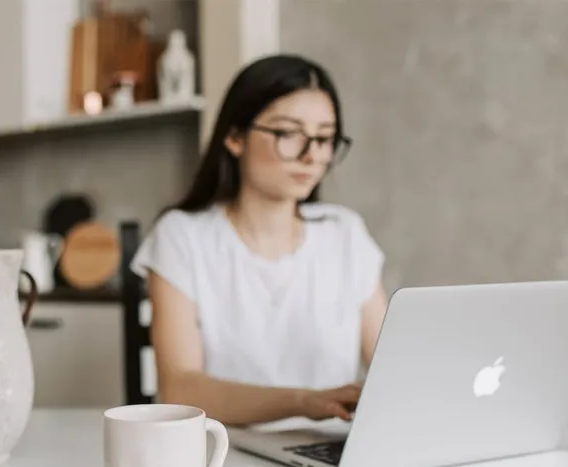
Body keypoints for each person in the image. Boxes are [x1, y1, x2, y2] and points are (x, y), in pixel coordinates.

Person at [130, 54, 388, 427]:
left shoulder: (345, 234)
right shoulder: (182, 238)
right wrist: (303, 401)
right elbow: (180, 389)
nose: (311, 154)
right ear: (235, 137)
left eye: (325, 138)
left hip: (330, 457)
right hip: (224, 457)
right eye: (288, 134)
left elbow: (390, 369)